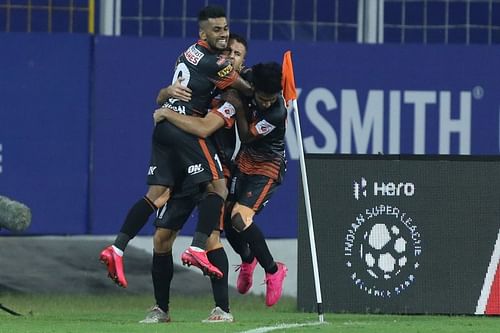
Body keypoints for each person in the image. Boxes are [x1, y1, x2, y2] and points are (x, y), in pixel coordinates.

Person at [99, 5, 252, 288]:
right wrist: (264, 86)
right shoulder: (216, 63)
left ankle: (117, 248)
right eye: (216, 30)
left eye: (225, 29)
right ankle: (196, 248)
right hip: (184, 128)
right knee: (217, 187)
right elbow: (246, 89)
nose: (222, 35)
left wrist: (165, 98)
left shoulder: (187, 53)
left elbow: (164, 95)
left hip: (162, 129)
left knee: (157, 195)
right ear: (202, 32)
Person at [139, 34, 248, 324]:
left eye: (238, 54)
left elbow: (202, 128)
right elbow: (164, 96)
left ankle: (222, 310)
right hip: (183, 168)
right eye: (228, 52)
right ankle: (161, 309)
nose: (231, 57)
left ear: (242, 63)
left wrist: (165, 113)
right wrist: (164, 95)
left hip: (213, 171)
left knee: (212, 238)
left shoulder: (231, 98)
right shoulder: (201, 87)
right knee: (162, 238)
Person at [223, 62, 288, 307]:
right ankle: (248, 258)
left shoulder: (276, 113)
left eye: (272, 99)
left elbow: (247, 136)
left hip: (267, 165)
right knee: (226, 220)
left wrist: (239, 107)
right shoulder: (248, 77)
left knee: (240, 218)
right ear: (254, 87)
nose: (267, 103)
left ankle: (273, 270)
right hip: (245, 159)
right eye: (263, 98)